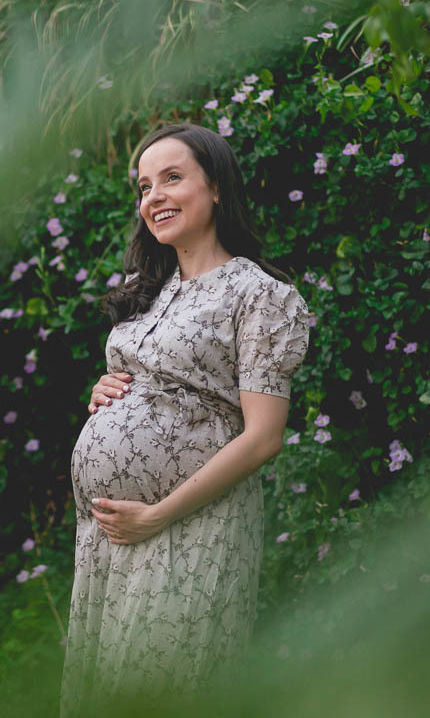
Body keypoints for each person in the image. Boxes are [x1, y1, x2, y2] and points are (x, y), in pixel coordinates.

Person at [60, 122, 313, 716]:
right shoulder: (148, 293)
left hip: (187, 528)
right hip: (108, 537)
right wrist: (104, 395)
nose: (154, 197)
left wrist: (156, 515)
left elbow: (264, 436)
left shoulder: (259, 296)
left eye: (172, 178)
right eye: (145, 187)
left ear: (217, 188)